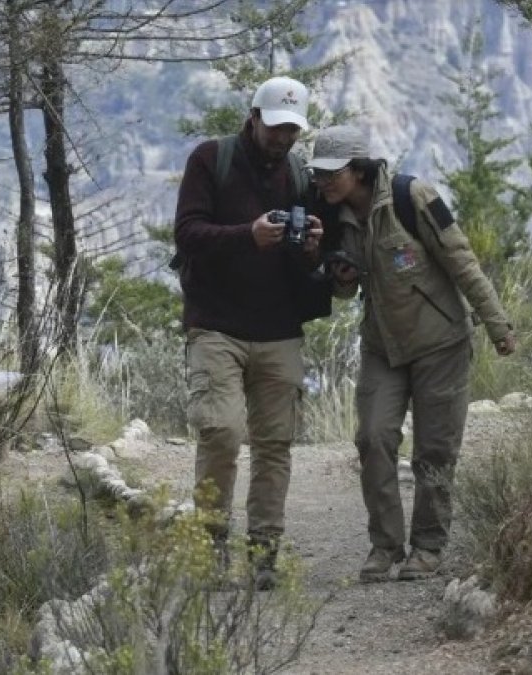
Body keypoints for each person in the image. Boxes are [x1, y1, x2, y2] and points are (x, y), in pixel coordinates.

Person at [309, 125, 517, 582]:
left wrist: (498, 323)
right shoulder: (332, 217)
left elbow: (461, 260)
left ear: (359, 170)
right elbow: (345, 293)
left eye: (332, 174)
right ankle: (384, 546)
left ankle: (428, 546)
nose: (322, 183)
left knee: (435, 451)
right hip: (383, 346)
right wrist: (340, 276)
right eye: (318, 174)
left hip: (440, 343)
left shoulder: (413, 197)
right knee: (373, 438)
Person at [173, 76, 325, 590]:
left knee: (275, 443)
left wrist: (313, 250)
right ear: (254, 117)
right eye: (277, 127)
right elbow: (187, 233)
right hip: (215, 323)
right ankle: (211, 544)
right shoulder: (210, 159)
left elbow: (316, 259)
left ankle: (264, 552)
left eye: (293, 130)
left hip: (280, 328)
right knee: (220, 431)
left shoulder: (300, 177)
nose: (284, 138)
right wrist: (248, 235)